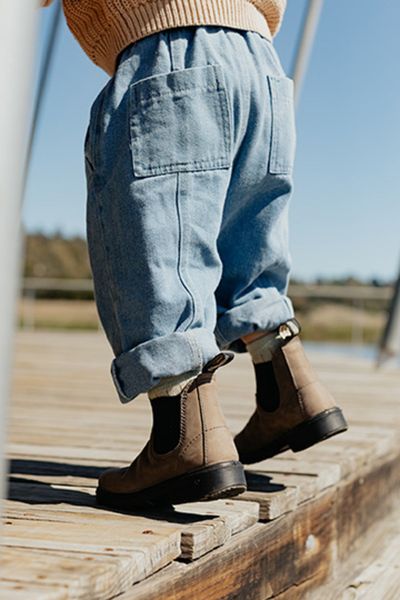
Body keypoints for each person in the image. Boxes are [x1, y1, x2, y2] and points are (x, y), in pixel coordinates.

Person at [42, 0, 348, 509]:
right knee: (247, 239)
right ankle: (290, 392)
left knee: (160, 247)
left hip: (168, 50)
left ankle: (183, 441)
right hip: (260, 62)